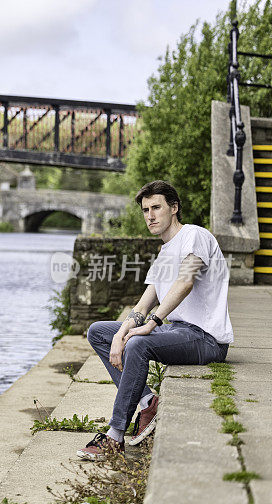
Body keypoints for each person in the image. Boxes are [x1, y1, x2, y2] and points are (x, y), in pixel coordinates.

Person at [77, 180, 233, 460]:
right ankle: (149, 401)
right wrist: (122, 330)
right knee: (99, 331)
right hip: (176, 332)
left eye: (156, 207)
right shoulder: (163, 253)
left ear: (174, 208)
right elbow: (145, 301)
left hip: (206, 338)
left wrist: (151, 324)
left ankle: (114, 436)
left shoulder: (194, 236)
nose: (150, 215)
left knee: (138, 344)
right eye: (146, 209)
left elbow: (185, 282)